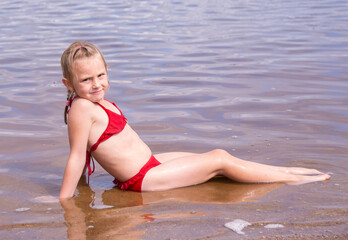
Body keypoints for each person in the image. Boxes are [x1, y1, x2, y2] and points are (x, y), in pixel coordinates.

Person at [59, 41, 330, 200]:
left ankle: (285, 170)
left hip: (151, 163)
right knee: (218, 159)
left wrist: (85, 188)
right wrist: (65, 199)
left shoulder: (95, 102)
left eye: (101, 75)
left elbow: (86, 150)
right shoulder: (82, 108)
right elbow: (77, 156)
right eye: (86, 79)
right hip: (143, 178)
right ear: (68, 83)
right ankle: (289, 178)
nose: (97, 85)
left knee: (218, 159)